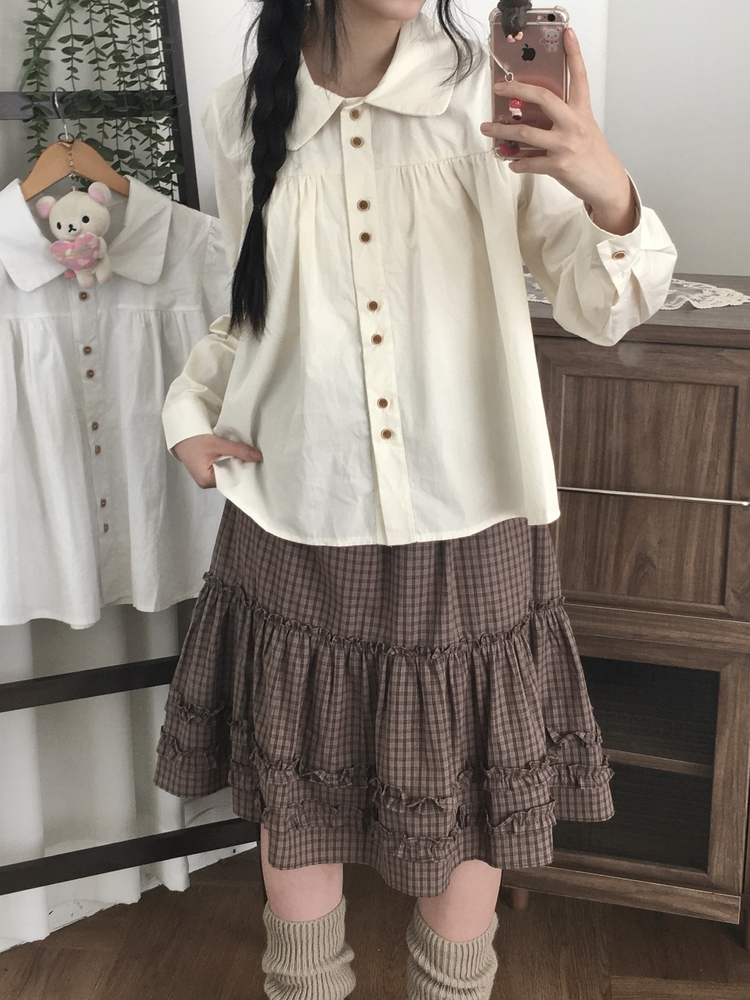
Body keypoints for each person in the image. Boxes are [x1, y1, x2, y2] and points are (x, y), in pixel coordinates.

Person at [153, 1, 677, 998]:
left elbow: (601, 304)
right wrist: (187, 413)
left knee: (466, 816)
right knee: (298, 812)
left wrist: (605, 185)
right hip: (297, 516)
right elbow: (251, 312)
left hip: (468, 519)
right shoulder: (241, 113)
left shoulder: (492, 91)